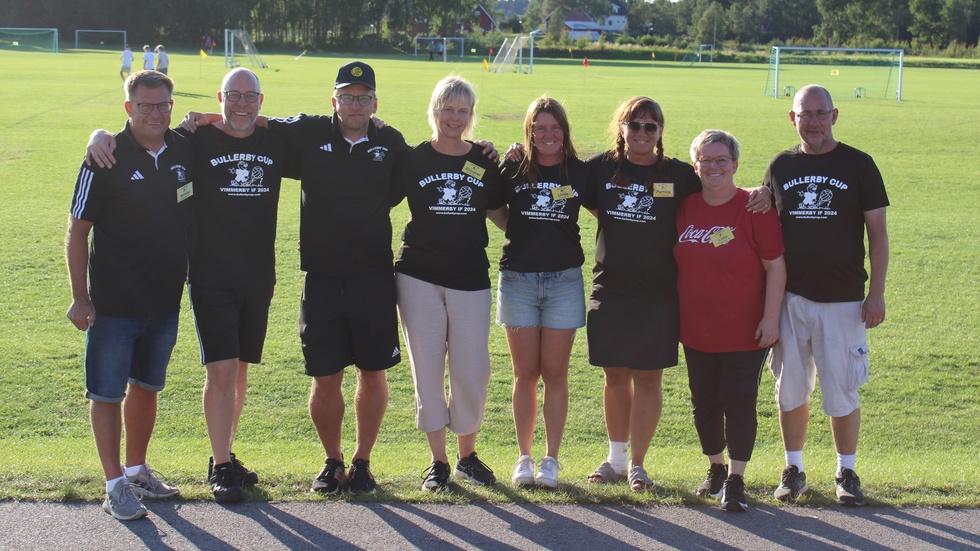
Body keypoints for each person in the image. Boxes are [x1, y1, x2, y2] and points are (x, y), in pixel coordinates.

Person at [85, 68, 298, 504]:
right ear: (220, 97)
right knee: (220, 369)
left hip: (258, 275)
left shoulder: (275, 141)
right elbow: (144, 132)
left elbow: (320, 137)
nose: (241, 104)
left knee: (237, 370)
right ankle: (219, 467)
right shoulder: (196, 140)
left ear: (261, 100)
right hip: (209, 274)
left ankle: (224, 455)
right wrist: (99, 134)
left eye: (249, 97)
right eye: (233, 96)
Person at [581, 97, 771, 492]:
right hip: (611, 288)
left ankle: (637, 466)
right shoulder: (600, 168)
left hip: (659, 294)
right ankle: (614, 460)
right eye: (634, 124)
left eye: (651, 127)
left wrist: (763, 191)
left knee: (648, 378)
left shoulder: (679, 174)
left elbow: (721, 184)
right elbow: (560, 180)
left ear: (661, 132)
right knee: (614, 375)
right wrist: (514, 154)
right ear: (622, 128)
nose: (641, 133)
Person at [66, 70, 191, 521]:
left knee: (147, 387)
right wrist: (81, 298)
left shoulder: (183, 148)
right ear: (128, 108)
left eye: (162, 105)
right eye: (145, 106)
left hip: (164, 303)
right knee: (106, 394)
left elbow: (232, 118)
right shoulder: (105, 157)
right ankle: (114, 484)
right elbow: (77, 231)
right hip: (113, 306)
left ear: (171, 106)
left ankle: (137, 469)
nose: (154, 113)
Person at [764, 84, 889, 507]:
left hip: (844, 299)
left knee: (842, 388)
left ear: (834, 116)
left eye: (821, 113)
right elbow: (763, 224)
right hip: (792, 298)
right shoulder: (780, 165)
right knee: (791, 389)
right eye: (805, 114)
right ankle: (794, 468)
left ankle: (846, 471)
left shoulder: (860, 165)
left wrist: (876, 294)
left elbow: (878, 235)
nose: (813, 121)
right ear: (792, 118)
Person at [392, 75, 505, 492]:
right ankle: (438, 462)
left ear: (470, 116)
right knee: (427, 370)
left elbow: (503, 215)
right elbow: (373, 195)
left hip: (469, 277)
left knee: (472, 370)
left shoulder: (483, 160)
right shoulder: (413, 158)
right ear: (434, 110)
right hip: (418, 275)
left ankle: (467, 456)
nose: (454, 117)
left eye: (463, 111)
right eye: (448, 108)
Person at [675, 129, 786, 512]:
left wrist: (771, 319)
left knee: (739, 401)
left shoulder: (754, 207)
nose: (714, 167)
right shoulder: (685, 207)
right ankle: (716, 468)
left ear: (735, 165)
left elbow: (776, 268)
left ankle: (737, 479)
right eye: (706, 160)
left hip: (745, 329)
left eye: (722, 160)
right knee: (704, 402)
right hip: (695, 328)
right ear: (696, 165)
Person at [491, 96, 589, 489]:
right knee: (525, 375)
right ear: (529, 131)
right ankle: (525, 457)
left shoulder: (580, 173)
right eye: (539, 128)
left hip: (564, 282)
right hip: (518, 281)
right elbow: (497, 211)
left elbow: (606, 210)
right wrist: (518, 230)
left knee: (556, 373)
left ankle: (551, 459)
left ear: (564, 131)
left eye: (554, 128)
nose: (547, 135)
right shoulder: (513, 168)